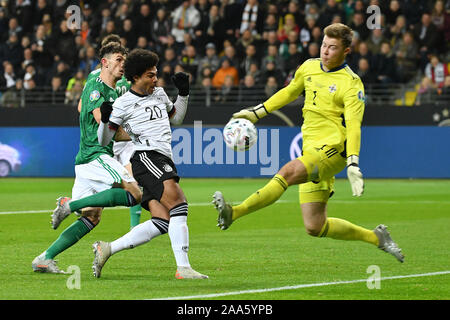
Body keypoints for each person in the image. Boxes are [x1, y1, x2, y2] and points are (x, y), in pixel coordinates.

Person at [212, 23, 404, 264]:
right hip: (311, 148)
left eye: (332, 47)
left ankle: (234, 212)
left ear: (346, 51)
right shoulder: (309, 67)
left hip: (333, 150)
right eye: (324, 45)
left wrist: (353, 163)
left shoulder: (351, 84)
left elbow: (354, 125)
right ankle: (377, 238)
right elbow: (290, 91)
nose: (325, 51)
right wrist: (257, 112)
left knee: (288, 172)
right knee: (315, 225)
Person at [94, 48, 208, 280]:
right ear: (135, 77)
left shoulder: (159, 94)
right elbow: (104, 139)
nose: (155, 79)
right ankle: (184, 268)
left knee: (162, 221)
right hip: (147, 157)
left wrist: (183, 93)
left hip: (163, 157)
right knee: (179, 204)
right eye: (149, 75)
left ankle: (107, 248)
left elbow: (175, 118)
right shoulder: (123, 103)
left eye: (155, 74)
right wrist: (105, 120)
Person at [31, 42, 142, 274]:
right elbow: (103, 122)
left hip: (85, 162)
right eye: (119, 60)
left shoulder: (111, 91)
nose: (123, 64)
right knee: (135, 192)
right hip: (95, 155)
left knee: (92, 217)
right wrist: (137, 132)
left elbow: (109, 126)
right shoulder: (97, 85)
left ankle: (44, 258)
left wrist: (133, 133)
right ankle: (68, 204)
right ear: (105, 62)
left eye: (125, 60)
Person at [80, 34, 143, 229]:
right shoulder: (96, 79)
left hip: (125, 139)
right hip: (110, 137)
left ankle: (134, 228)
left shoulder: (127, 76)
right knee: (97, 206)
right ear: (104, 60)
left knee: (133, 182)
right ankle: (78, 205)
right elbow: (83, 106)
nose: (121, 62)